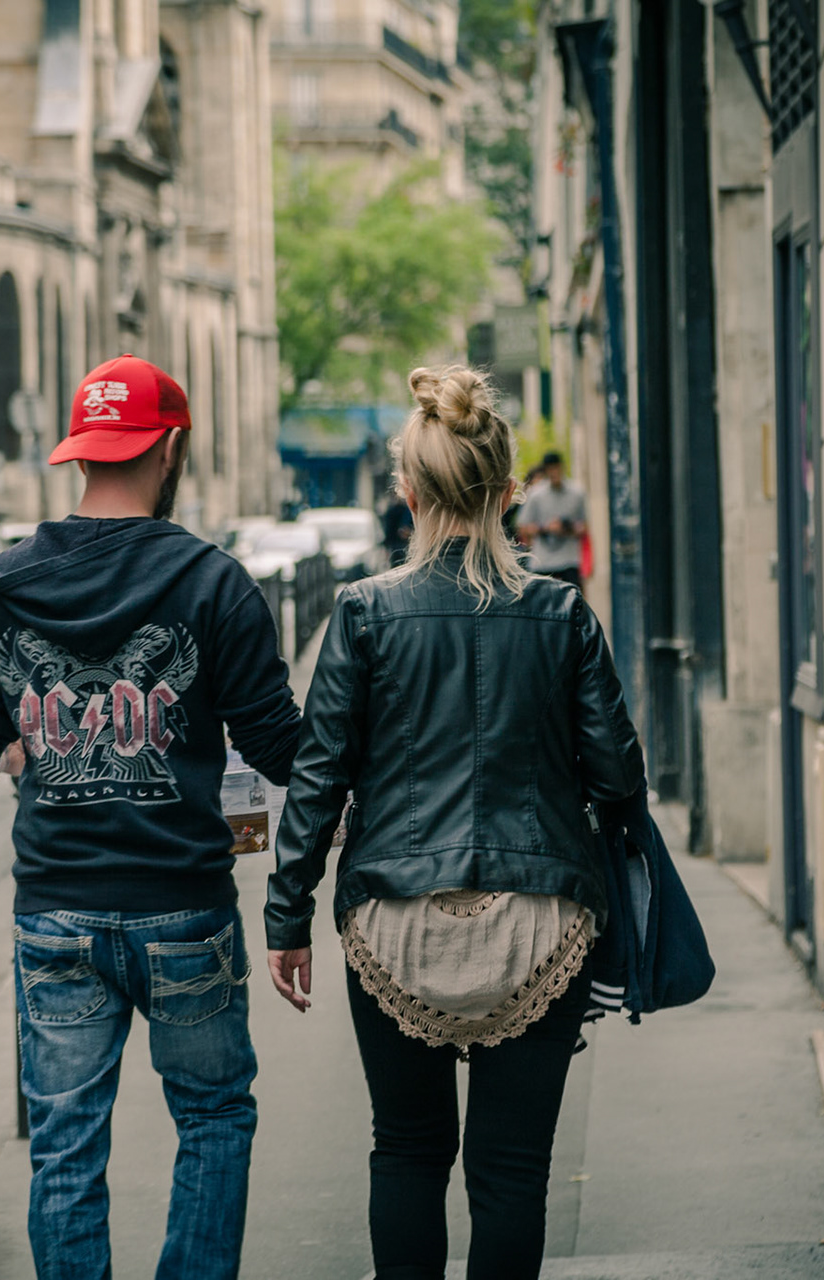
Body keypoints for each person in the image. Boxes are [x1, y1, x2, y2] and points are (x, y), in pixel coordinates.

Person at [263, 366, 644, 1280]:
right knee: (512, 1174)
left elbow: (318, 780)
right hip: (543, 915)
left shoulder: (362, 613)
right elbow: (621, 776)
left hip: (393, 917)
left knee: (406, 1151)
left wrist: (287, 917)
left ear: (409, 493)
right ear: (510, 493)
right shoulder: (561, 614)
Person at [0, 353, 303, 1280]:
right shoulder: (215, 583)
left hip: (54, 910)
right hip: (185, 905)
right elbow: (280, 749)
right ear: (169, 446)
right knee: (215, 1119)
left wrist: (29, 741)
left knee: (64, 1147)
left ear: (81, 453)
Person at [515, 451, 588, 589]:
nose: (554, 472)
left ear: (562, 467)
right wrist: (546, 528)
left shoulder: (577, 493)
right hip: (543, 561)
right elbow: (523, 527)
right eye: (550, 469)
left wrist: (568, 528)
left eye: (556, 468)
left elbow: (584, 527)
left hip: (569, 560)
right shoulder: (536, 494)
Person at [381, 494, 415, 566]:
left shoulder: (407, 511)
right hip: (397, 544)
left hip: (403, 544)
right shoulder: (394, 511)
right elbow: (388, 530)